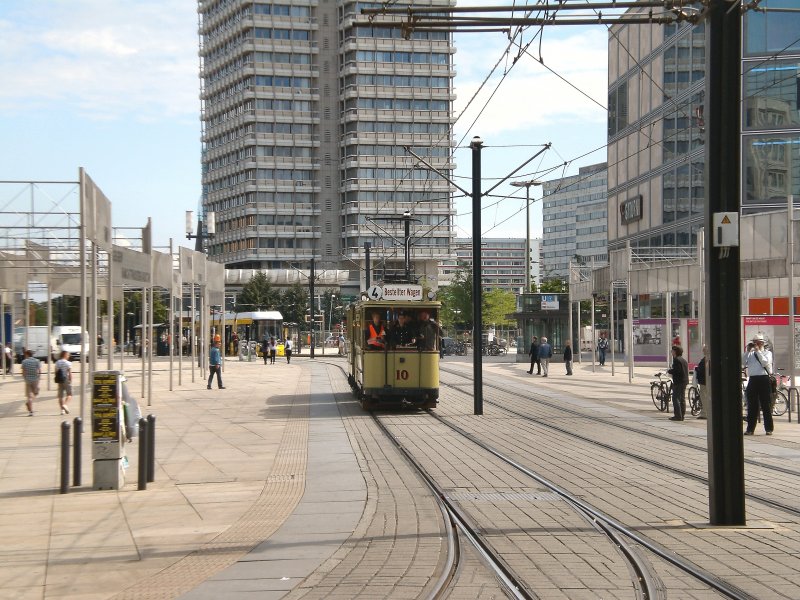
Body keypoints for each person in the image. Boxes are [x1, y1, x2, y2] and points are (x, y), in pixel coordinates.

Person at [743, 333, 773, 435]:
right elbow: (742, 363)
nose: (756, 344)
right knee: (752, 405)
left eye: (758, 342)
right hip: (753, 380)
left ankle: (769, 429)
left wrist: (758, 351)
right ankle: (750, 429)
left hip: (764, 379)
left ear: (763, 343)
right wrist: (747, 351)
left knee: (766, 405)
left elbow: (765, 363)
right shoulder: (750, 354)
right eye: (755, 342)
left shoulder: (767, 353)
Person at [667, 345, 689, 421]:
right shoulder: (683, 360)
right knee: (682, 399)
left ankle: (678, 416)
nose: (671, 352)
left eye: (672, 351)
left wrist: (670, 371)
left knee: (675, 398)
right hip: (684, 381)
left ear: (675, 352)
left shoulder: (676, 360)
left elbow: (677, 371)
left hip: (679, 381)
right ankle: (682, 415)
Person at [20, 350, 41, 416]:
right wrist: (38, 377)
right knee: (36, 392)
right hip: (35, 379)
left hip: (27, 380)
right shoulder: (37, 361)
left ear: (27, 354)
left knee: (29, 396)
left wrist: (25, 378)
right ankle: (29, 402)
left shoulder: (24, 361)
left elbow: (23, 371)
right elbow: (39, 371)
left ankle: (31, 411)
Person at [55, 351, 73, 415]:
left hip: (60, 380)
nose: (68, 356)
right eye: (68, 355)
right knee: (69, 394)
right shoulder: (68, 363)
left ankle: (62, 410)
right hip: (66, 379)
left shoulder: (57, 362)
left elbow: (56, 371)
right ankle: (65, 405)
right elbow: (70, 373)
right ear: (65, 355)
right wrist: (70, 379)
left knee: (60, 396)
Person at [696, 346, 708, 420]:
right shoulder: (707, 358)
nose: (703, 351)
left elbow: (703, 370)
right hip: (705, 381)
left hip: (704, 381)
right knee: (705, 396)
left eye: (704, 350)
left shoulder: (706, 359)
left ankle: (705, 413)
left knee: (704, 397)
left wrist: (697, 369)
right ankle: (705, 412)